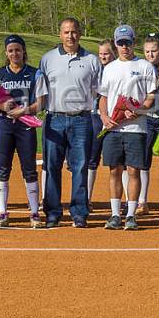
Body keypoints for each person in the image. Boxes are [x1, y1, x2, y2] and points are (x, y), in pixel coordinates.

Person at [35, 18, 102, 228]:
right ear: (59, 34)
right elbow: (41, 91)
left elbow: (99, 91)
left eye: (74, 32)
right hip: (54, 118)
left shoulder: (92, 60)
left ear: (80, 33)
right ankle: (53, 213)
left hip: (82, 118)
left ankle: (79, 212)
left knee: (80, 166)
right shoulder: (47, 59)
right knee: (52, 166)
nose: (70, 36)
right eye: (66, 32)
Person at [98, 25, 158, 231]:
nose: (124, 46)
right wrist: (104, 116)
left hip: (136, 127)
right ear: (115, 44)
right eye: (120, 43)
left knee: (133, 170)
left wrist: (139, 110)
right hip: (114, 128)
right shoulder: (109, 68)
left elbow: (151, 96)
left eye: (128, 42)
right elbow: (103, 97)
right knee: (114, 170)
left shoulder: (144, 66)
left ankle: (131, 215)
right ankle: (115, 214)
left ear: (134, 42)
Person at [0, 35, 44, 228]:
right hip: (5, 125)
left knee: (29, 168)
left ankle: (34, 213)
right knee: (2, 167)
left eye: (18, 50)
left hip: (26, 125)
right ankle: (3, 212)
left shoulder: (34, 73)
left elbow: (40, 103)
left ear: (24, 51)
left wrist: (24, 110)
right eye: (11, 50)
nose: (14, 54)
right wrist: (2, 106)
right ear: (6, 53)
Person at [136, 32, 159, 215]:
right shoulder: (141, 68)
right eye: (147, 51)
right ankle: (142, 202)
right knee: (143, 162)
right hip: (147, 120)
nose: (150, 54)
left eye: (154, 51)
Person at [84, 39, 117, 203]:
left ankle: (125, 200)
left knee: (119, 162)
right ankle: (87, 199)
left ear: (113, 54)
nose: (103, 57)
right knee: (92, 159)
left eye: (106, 53)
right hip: (96, 117)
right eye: (101, 54)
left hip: (117, 118)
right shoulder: (96, 71)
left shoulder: (119, 69)